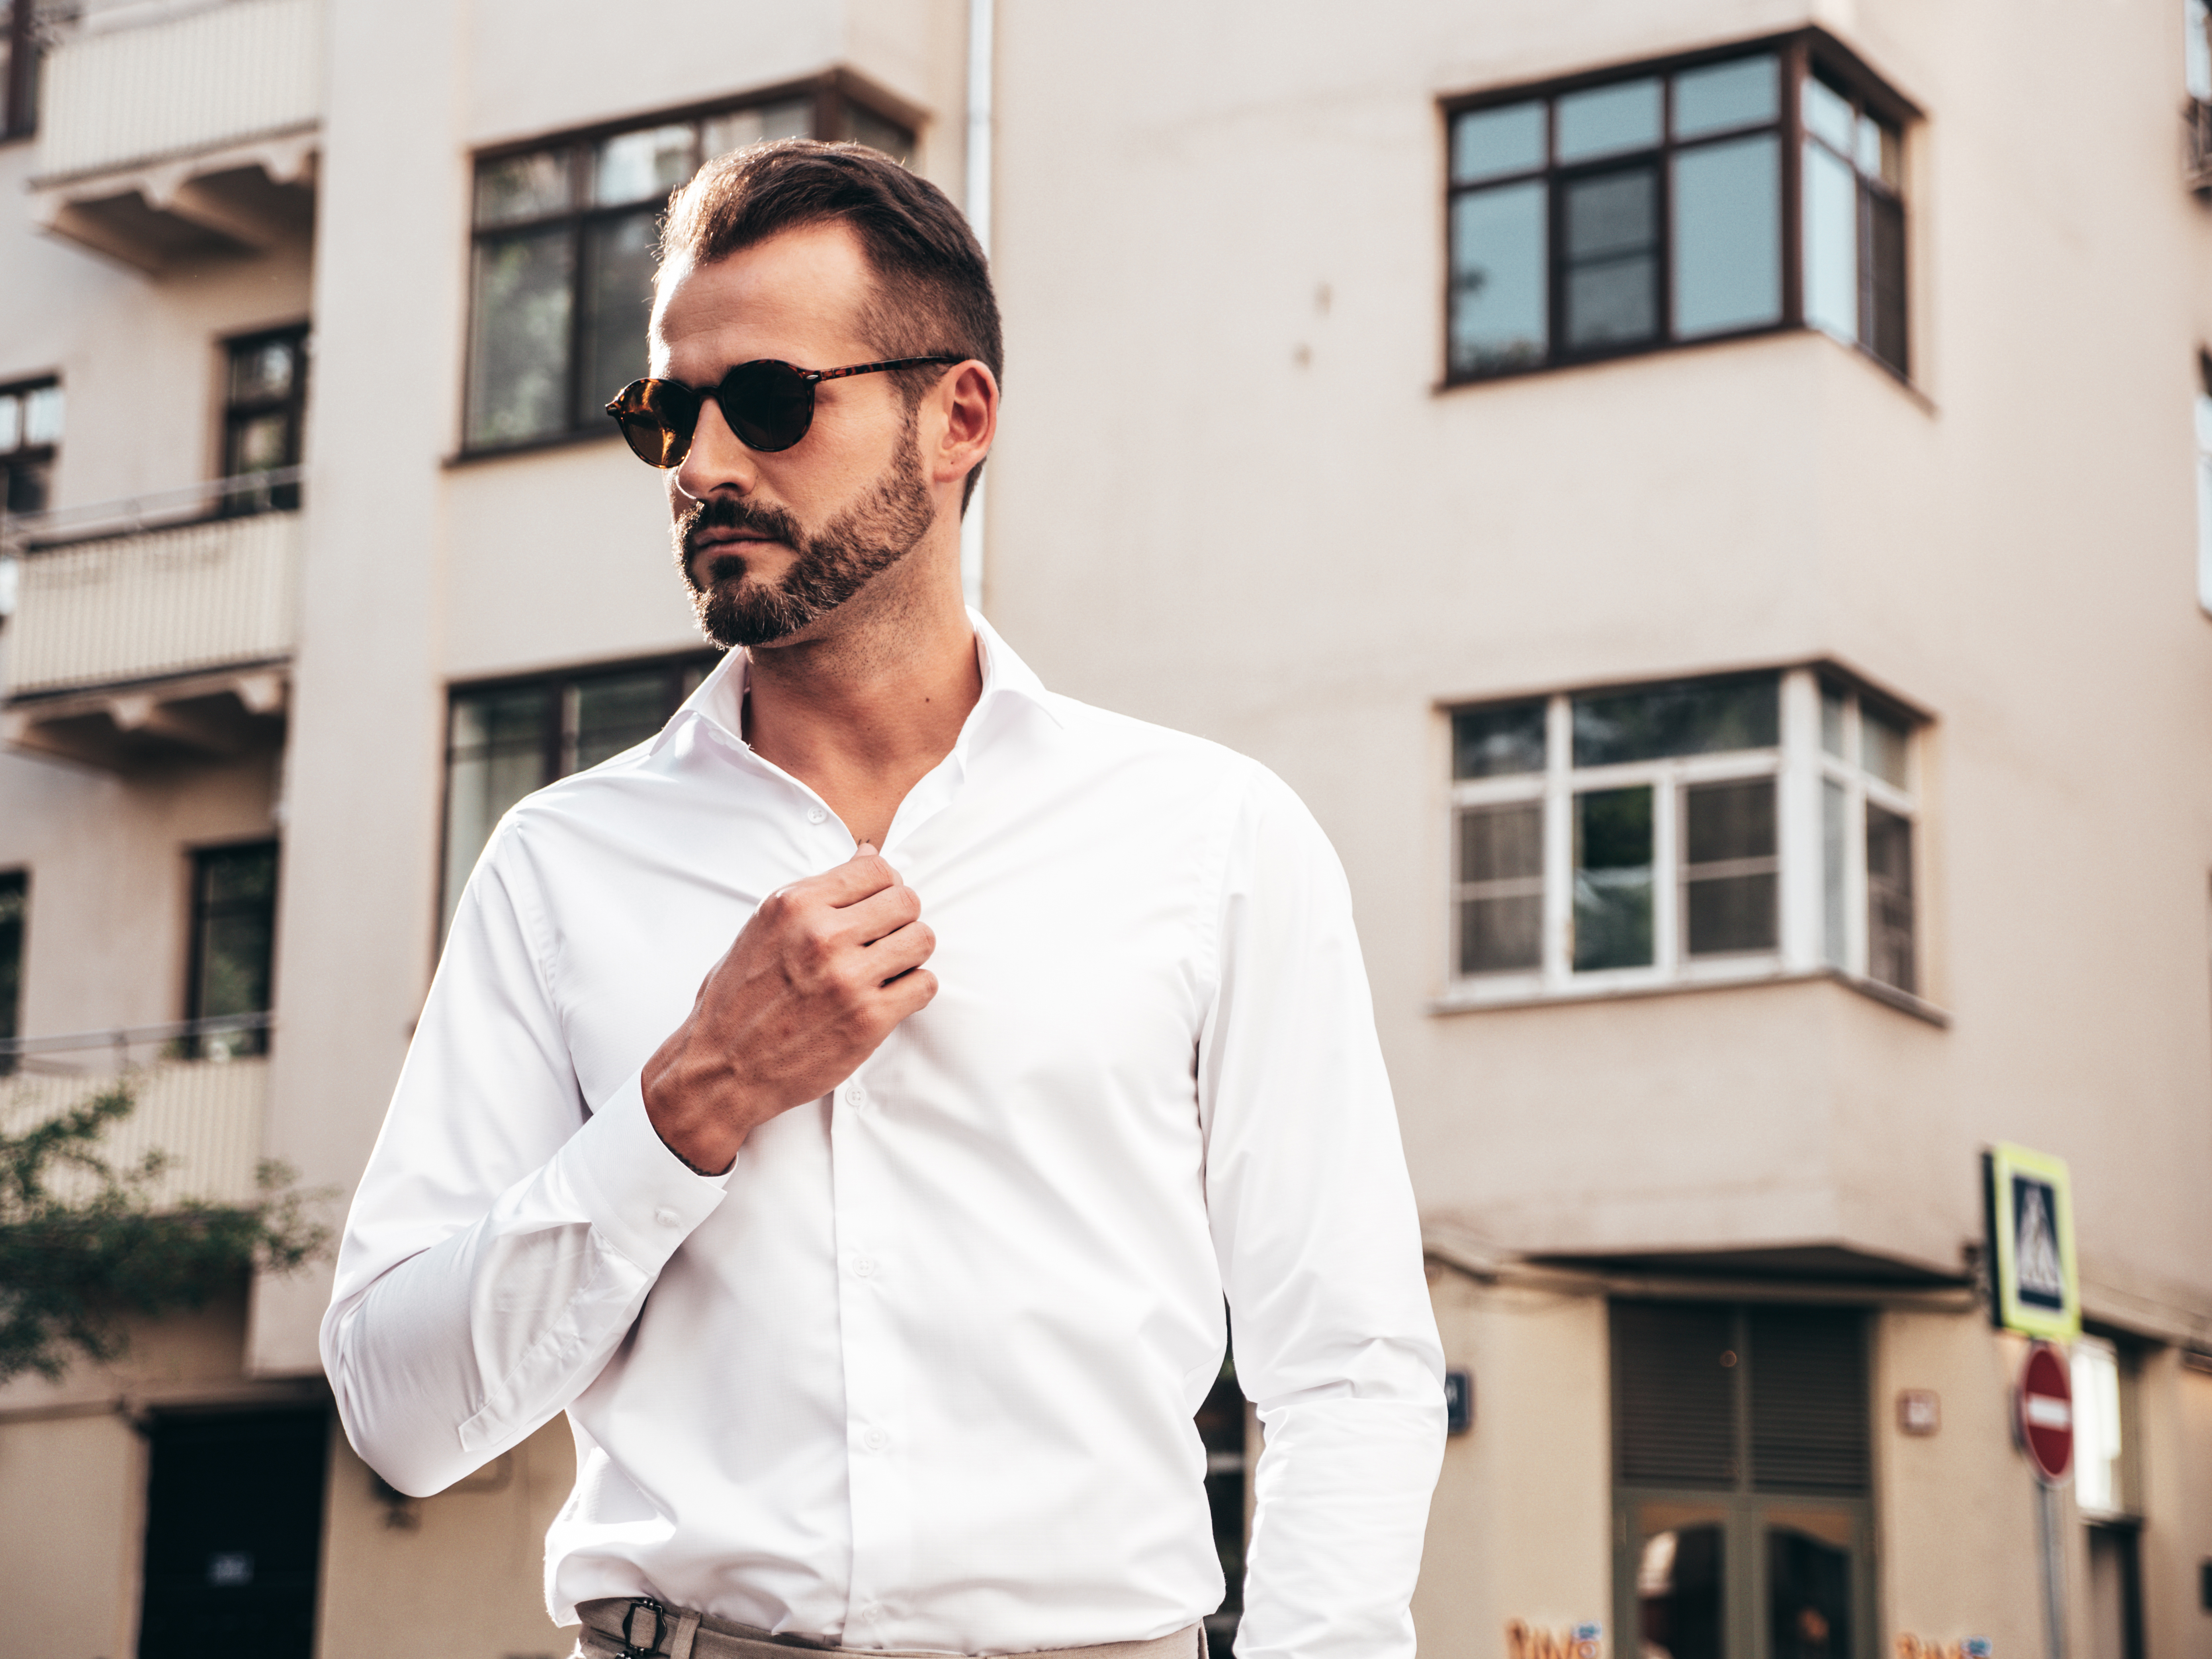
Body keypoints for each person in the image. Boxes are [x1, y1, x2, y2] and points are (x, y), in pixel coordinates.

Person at [321, 139, 1443, 1659]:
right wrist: (690, 1104)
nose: (707, 465)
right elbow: (399, 1417)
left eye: (772, 403)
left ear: (955, 416)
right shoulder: (558, 864)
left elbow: (1349, 1364)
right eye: (672, 414)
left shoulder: (1211, 838)